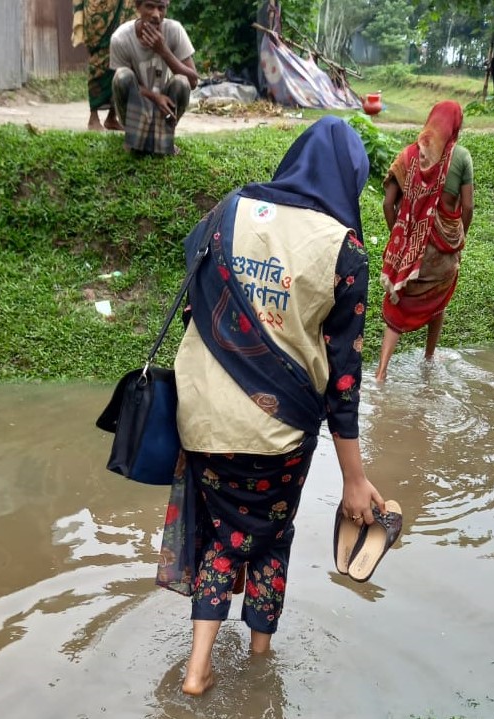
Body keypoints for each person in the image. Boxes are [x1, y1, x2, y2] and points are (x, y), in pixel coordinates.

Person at [156, 116, 386, 695]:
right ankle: (260, 664)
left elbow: (194, 302)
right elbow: (343, 382)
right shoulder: (345, 252)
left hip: (201, 418)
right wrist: (354, 481)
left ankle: (196, 669)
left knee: (222, 536)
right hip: (276, 437)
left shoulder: (227, 213)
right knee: (269, 540)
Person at [375, 100, 474, 381]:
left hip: (410, 253)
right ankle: (429, 358)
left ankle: (381, 371)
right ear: (456, 126)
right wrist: (458, 238)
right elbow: (467, 208)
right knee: (438, 299)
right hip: (443, 252)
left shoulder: (406, 156)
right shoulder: (462, 157)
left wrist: (401, 236)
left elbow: (388, 204)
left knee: (399, 301)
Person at [108, 0, 198, 155]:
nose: (156, 15)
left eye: (161, 8)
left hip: (165, 107)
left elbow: (193, 81)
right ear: (138, 7)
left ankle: (162, 136)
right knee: (121, 76)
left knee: (182, 82)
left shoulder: (174, 30)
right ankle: (136, 138)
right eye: (149, 6)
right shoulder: (120, 38)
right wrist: (156, 97)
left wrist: (164, 51)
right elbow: (125, 83)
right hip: (138, 105)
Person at [71, 0, 129, 132]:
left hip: (124, 4)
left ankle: (112, 117)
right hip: (99, 8)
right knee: (99, 57)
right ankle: (93, 117)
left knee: (121, 54)